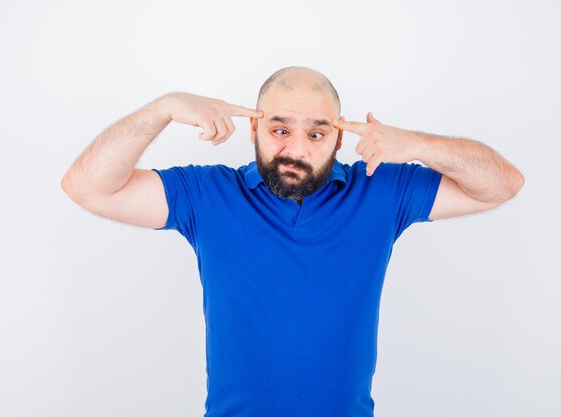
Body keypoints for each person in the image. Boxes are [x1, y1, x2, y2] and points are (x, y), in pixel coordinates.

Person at [61, 66, 524, 417]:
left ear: (339, 137)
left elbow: (502, 184)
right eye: (280, 130)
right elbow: (88, 187)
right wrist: (160, 108)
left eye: (317, 133)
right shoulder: (207, 195)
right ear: (254, 130)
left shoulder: (383, 189)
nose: (297, 150)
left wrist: (419, 144)